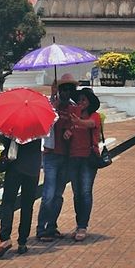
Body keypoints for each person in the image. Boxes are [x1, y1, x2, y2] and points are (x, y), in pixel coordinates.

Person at [36, 73, 77, 241]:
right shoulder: (51, 106)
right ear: (59, 90)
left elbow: (77, 126)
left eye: (70, 89)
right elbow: (43, 124)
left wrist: (71, 131)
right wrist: (54, 104)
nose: (67, 92)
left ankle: (52, 226)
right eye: (64, 89)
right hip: (51, 155)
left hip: (66, 156)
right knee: (48, 194)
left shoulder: (74, 107)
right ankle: (41, 228)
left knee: (58, 195)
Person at [0, 136, 42, 259]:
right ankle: (22, 242)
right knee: (27, 205)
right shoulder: (38, 125)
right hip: (32, 169)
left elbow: (6, 143)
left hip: (14, 167)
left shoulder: (14, 126)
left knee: (8, 203)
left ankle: (5, 238)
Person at [67, 86, 101, 241]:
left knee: (86, 192)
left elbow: (90, 125)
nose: (81, 102)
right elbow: (69, 132)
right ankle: (78, 224)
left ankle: (83, 226)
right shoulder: (74, 116)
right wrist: (67, 133)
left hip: (88, 158)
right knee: (77, 193)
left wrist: (78, 121)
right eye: (79, 99)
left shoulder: (94, 116)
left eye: (84, 99)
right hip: (74, 157)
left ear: (89, 102)